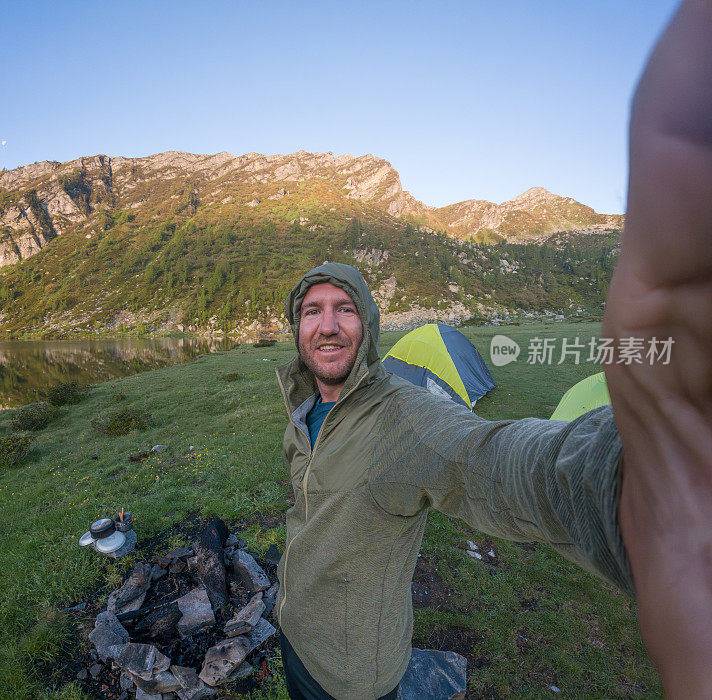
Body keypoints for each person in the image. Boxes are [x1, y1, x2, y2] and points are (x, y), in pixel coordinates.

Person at [274, 2, 712, 697]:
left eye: (345, 310)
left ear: (371, 325)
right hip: (293, 638)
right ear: (295, 327)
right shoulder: (301, 403)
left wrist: (627, 481)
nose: (328, 326)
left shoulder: (404, 420)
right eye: (312, 312)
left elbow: (495, 462)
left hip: (355, 676)